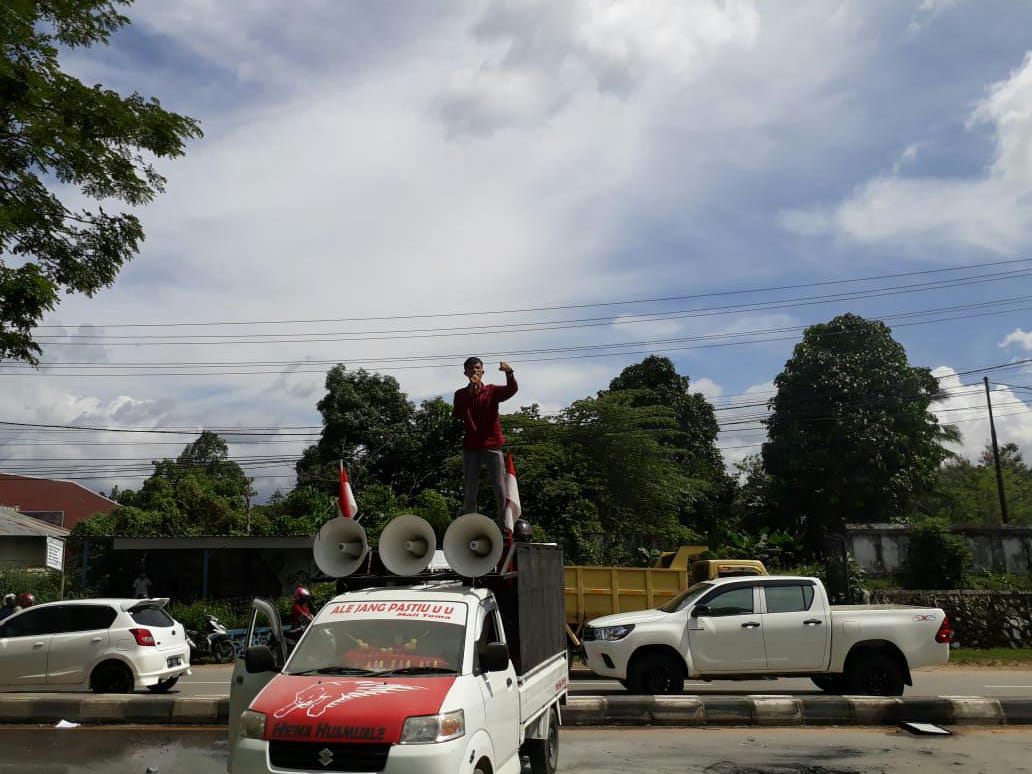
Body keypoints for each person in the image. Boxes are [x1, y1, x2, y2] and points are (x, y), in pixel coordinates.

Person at [452, 357, 518, 529]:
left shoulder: (492, 391)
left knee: (499, 487)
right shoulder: (460, 394)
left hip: (492, 444)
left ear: (482, 372)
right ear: (465, 373)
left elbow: (511, 390)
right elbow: (457, 413)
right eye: (471, 369)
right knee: (470, 488)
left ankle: (504, 526)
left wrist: (509, 373)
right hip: (471, 446)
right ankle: (469, 527)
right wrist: (470, 393)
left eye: (477, 368)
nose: (475, 371)